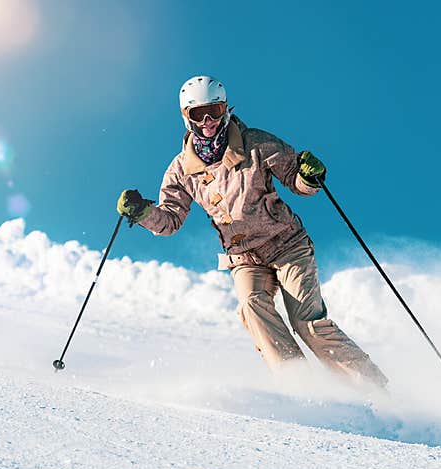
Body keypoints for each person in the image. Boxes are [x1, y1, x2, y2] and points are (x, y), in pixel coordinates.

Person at [117, 75, 388, 389]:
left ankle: (374, 387)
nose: (207, 122)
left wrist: (309, 177)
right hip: (244, 256)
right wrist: (144, 212)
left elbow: (295, 180)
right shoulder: (181, 170)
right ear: (185, 117)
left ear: (226, 109)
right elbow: (170, 221)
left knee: (307, 322)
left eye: (214, 111)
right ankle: (301, 386)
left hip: (286, 244)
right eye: (197, 114)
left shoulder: (256, 143)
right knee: (251, 306)